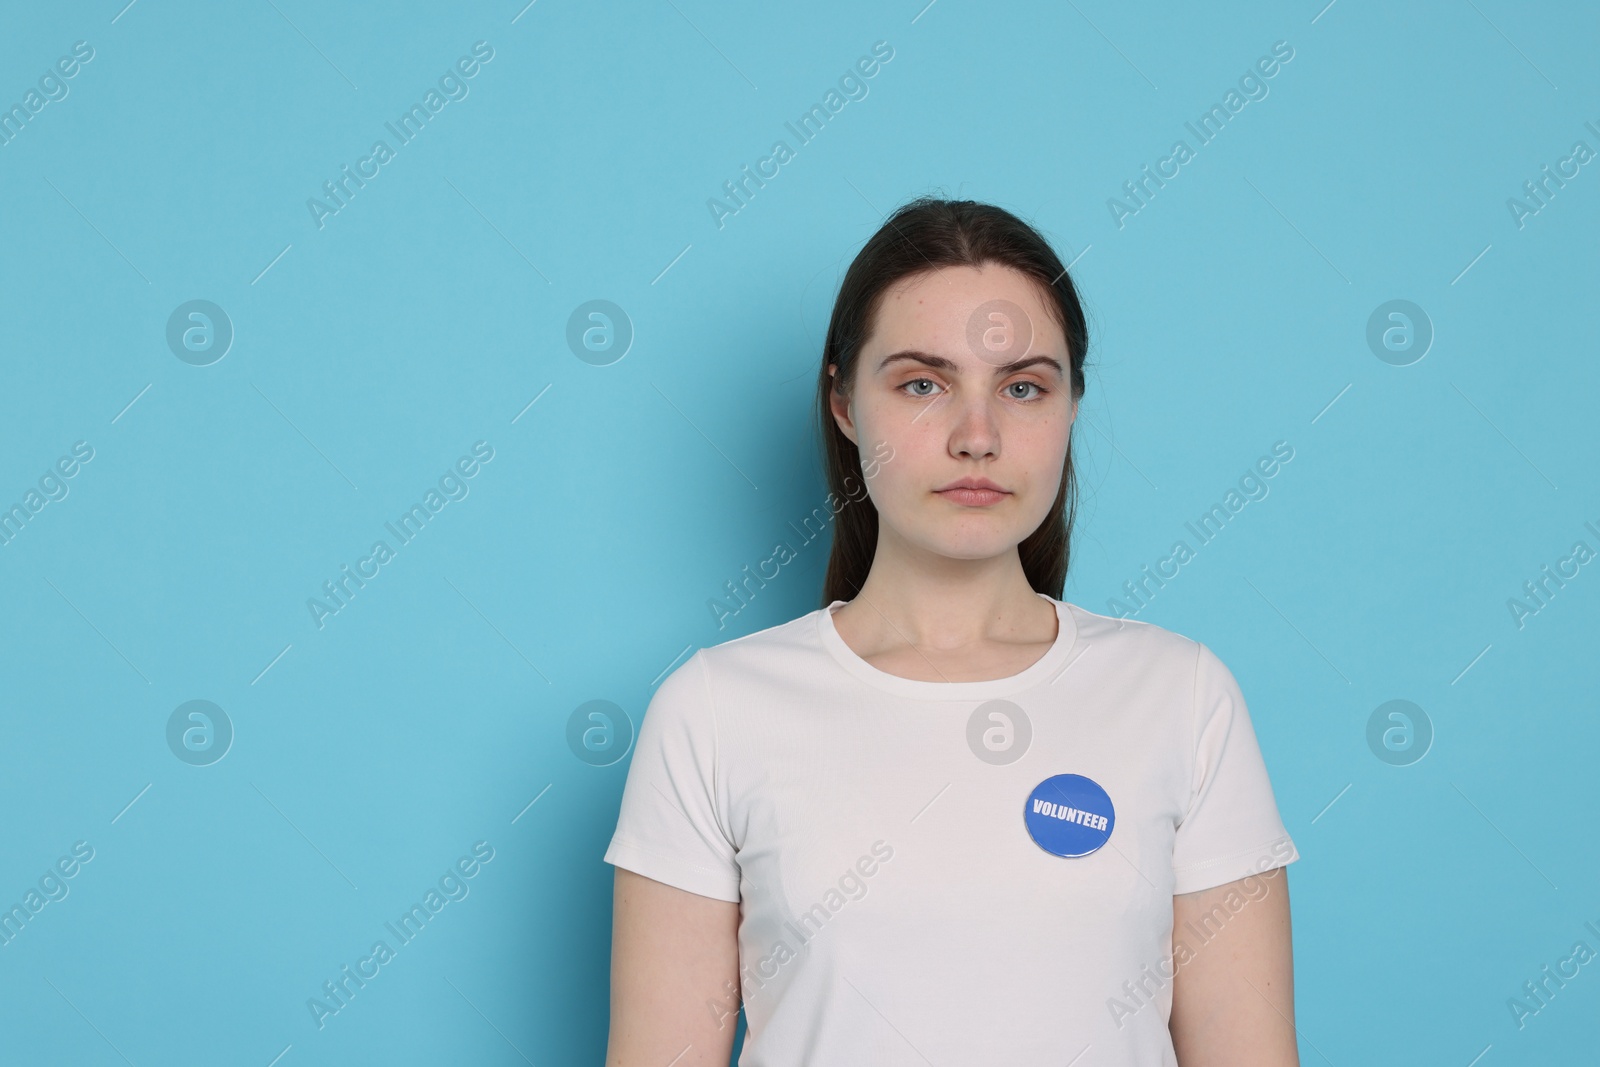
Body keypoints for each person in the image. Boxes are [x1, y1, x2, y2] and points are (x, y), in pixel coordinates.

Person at [603, 197, 1301, 1066]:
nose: (979, 435)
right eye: (922, 384)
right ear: (845, 404)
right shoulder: (713, 711)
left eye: (1022, 387)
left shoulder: (1182, 696)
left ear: (1072, 405)